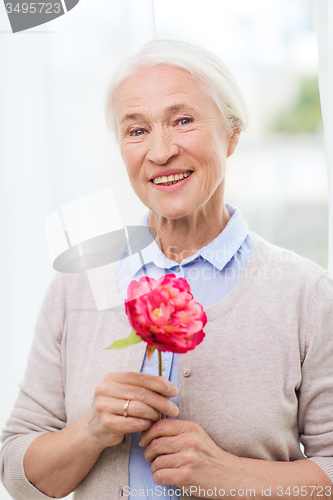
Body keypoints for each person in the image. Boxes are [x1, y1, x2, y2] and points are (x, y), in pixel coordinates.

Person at [1, 39, 333, 500]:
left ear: (232, 133)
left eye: (183, 120)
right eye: (136, 131)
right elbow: (19, 473)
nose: (159, 152)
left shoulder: (306, 293)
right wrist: (91, 431)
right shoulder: (79, 283)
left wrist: (228, 474)